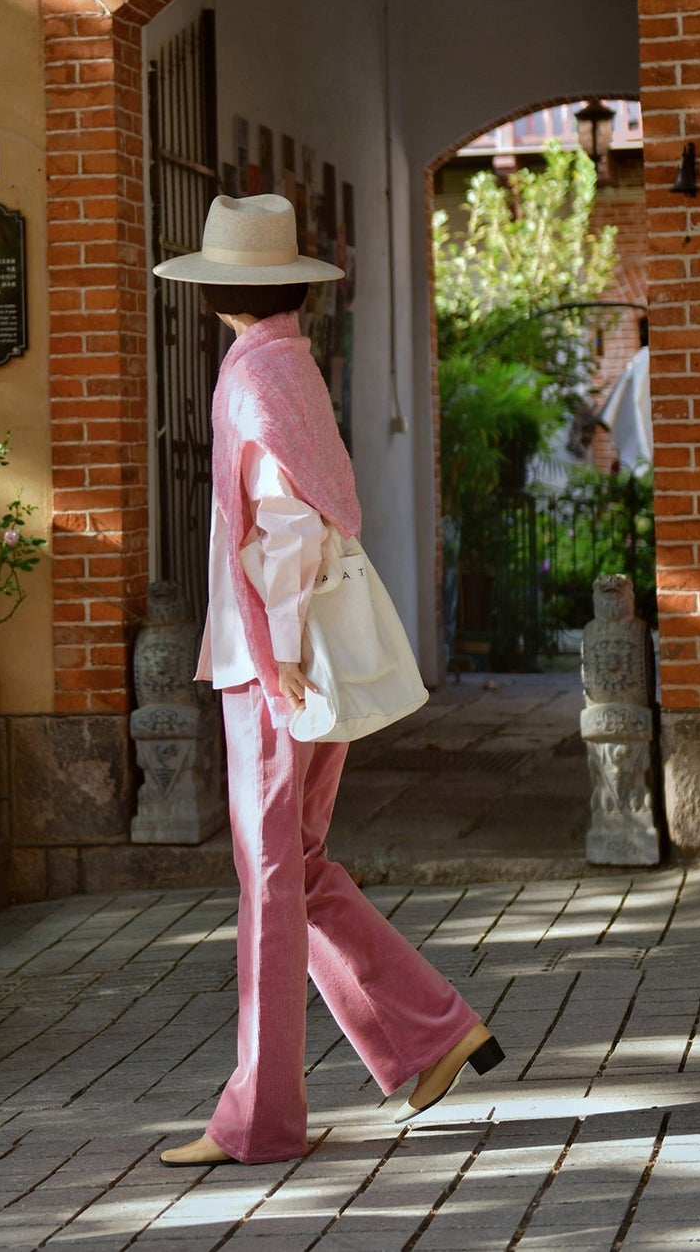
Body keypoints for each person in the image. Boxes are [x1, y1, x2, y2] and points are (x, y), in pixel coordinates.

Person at [151, 194, 504, 1167]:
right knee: (295, 870)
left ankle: (260, 1118)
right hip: (295, 655)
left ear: (221, 287)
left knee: (269, 883)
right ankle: (433, 1032)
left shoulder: (250, 376)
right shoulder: (289, 363)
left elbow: (287, 524)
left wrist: (282, 649)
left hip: (272, 662)